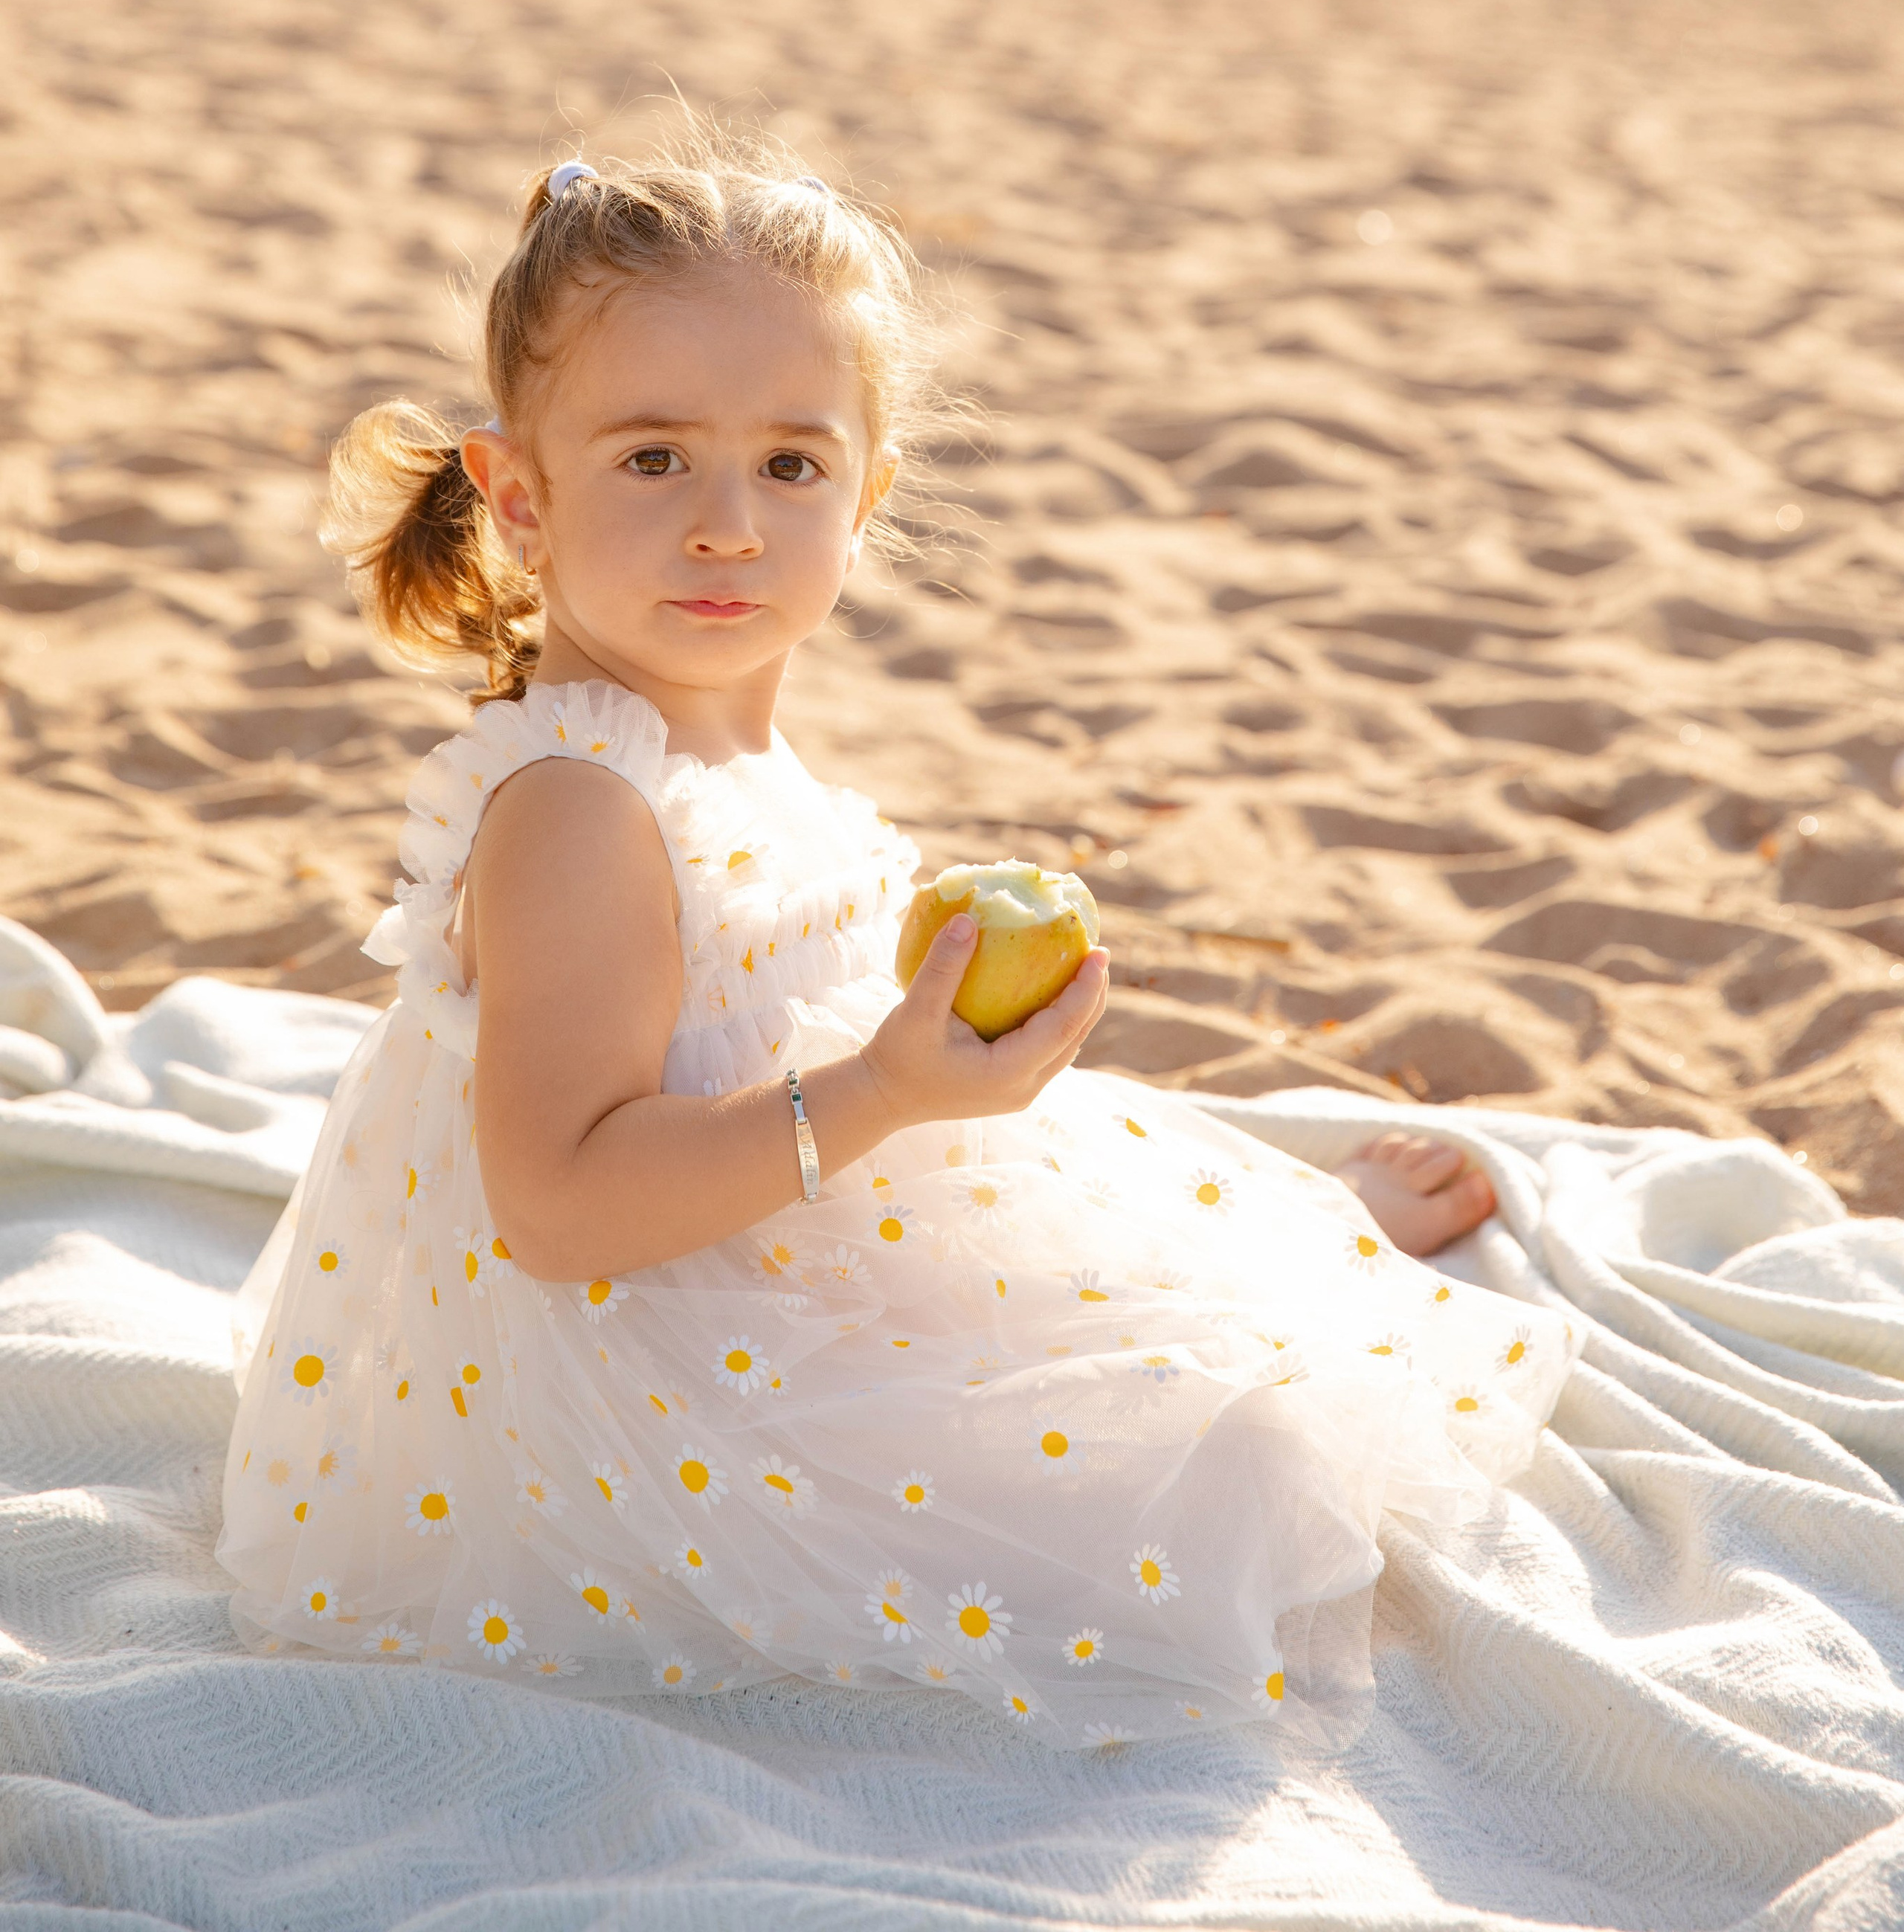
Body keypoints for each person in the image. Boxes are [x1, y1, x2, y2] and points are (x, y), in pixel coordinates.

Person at [218, 137, 1575, 1746]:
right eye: (652, 459)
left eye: (790, 466)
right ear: (521, 498)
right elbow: (562, 1210)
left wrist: (912, 1074)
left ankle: (1284, 1248)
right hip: (648, 1364)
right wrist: (880, 1093)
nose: (728, 525)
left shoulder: (703, 735)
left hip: (799, 1220)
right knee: (1236, 1463)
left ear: (864, 498)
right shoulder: (578, 809)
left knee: (1204, 1295)